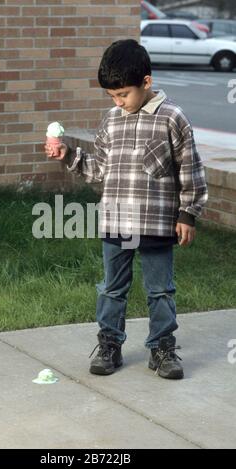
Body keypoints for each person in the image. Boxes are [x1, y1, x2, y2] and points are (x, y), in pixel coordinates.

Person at [44, 39, 208, 380]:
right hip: (116, 222)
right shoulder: (112, 120)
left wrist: (187, 214)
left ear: (146, 82)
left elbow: (191, 169)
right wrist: (69, 156)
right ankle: (109, 345)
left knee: (160, 290)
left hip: (157, 223)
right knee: (111, 288)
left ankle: (162, 348)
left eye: (124, 95)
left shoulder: (172, 118)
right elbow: (99, 168)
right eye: (112, 96)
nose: (119, 102)